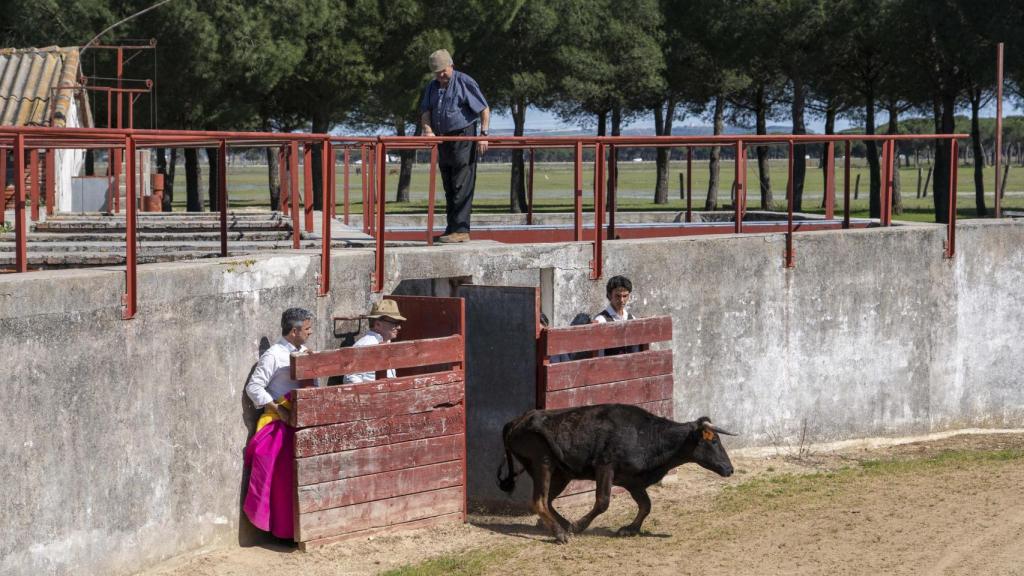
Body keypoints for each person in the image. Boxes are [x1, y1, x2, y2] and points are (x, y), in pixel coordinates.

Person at [242, 307, 315, 540]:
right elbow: (254, 387)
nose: (310, 332)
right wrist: (279, 410)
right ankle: (282, 532)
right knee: (282, 479)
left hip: (303, 419)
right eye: (307, 328)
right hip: (281, 424)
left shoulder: (304, 351)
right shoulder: (274, 355)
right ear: (294, 331)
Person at [420, 48, 490, 244]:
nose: (441, 75)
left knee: (461, 182)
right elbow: (426, 111)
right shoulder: (432, 87)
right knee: (449, 184)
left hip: (463, 137)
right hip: (443, 139)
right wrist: (428, 130)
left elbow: (484, 109)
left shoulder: (464, 82)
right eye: (437, 72)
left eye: (443, 70)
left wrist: (483, 135)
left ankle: (461, 229)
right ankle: (451, 228)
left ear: (451, 66)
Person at [343, 299, 407, 383]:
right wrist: (370, 394)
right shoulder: (365, 345)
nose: (399, 327)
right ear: (378, 324)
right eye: (395, 323)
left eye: (399, 323)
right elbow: (350, 378)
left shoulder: (386, 342)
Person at [593, 275, 641, 356]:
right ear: (609, 295)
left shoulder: (632, 318)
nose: (622, 300)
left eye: (625, 296)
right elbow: (599, 355)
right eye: (618, 296)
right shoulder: (601, 320)